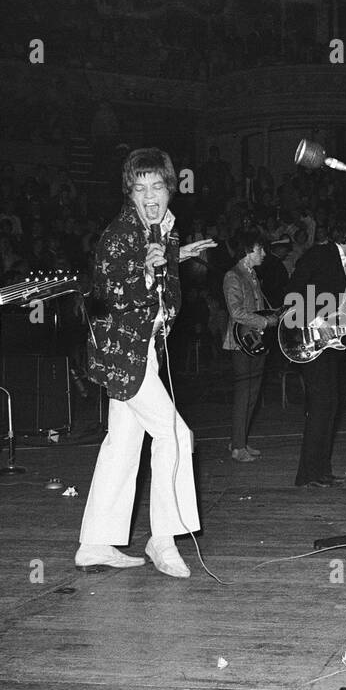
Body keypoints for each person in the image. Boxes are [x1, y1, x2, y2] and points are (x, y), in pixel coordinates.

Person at [75, 148, 216, 579]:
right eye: (140, 189)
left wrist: (174, 255)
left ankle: (95, 544)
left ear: (170, 189)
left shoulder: (161, 230)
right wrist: (148, 270)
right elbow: (106, 294)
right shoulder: (120, 234)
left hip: (143, 351)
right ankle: (163, 538)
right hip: (124, 355)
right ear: (129, 193)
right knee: (175, 434)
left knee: (122, 443)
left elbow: (160, 289)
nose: (150, 196)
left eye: (157, 187)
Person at [287, 217, 346, 487]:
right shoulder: (320, 254)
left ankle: (320, 470)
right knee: (320, 407)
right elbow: (294, 291)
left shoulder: (344, 261)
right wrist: (318, 323)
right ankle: (308, 474)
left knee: (329, 406)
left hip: (332, 344)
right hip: (313, 339)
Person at [222, 229, 278, 462]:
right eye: (260, 249)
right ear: (248, 251)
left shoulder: (252, 275)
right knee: (244, 394)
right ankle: (237, 447)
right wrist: (264, 320)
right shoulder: (233, 276)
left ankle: (240, 441)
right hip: (240, 342)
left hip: (255, 341)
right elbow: (236, 312)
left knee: (253, 393)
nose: (263, 253)